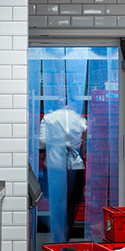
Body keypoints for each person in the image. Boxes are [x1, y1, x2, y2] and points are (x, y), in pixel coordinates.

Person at [39, 103, 88, 243]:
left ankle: (58, 235)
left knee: (56, 203)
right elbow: (84, 137)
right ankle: (67, 235)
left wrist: (55, 142)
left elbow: (41, 142)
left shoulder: (48, 118)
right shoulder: (78, 119)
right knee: (71, 204)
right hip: (75, 166)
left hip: (54, 165)